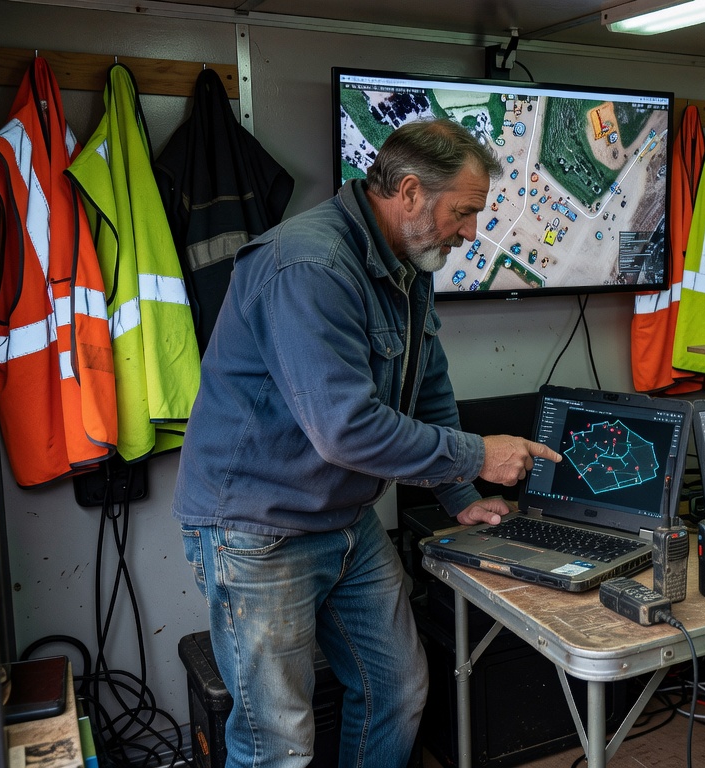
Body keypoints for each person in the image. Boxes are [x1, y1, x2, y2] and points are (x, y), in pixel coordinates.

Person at [173, 118, 561, 768]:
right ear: (409, 192)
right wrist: (477, 454)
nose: (472, 233)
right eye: (463, 213)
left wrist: (460, 493)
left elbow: (427, 381)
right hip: (259, 530)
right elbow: (345, 430)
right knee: (278, 743)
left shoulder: (410, 260)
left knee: (397, 689)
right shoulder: (308, 266)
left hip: (344, 520)